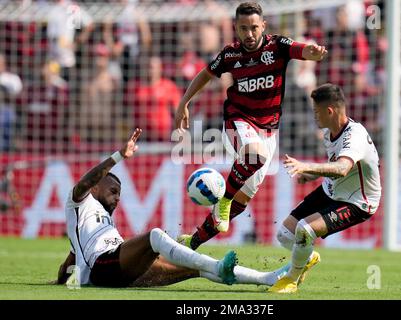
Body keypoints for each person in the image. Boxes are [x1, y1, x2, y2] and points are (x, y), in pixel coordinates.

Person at [175, 2, 327, 249]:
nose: (249, 34)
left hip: (268, 132)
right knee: (254, 158)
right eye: (243, 28)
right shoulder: (230, 55)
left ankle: (192, 242)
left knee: (242, 199)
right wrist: (184, 102)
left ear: (263, 26)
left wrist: (312, 51)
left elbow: (302, 50)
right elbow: (205, 74)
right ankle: (222, 201)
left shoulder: (277, 46)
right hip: (237, 121)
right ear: (236, 28)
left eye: (254, 28)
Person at [55, 128, 289, 288]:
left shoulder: (100, 223)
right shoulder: (79, 202)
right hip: (103, 267)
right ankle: (218, 265)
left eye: (119, 194)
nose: (117, 198)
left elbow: (75, 255)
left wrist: (64, 274)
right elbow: (86, 180)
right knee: (156, 235)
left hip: (120, 270)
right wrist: (118, 156)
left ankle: (267, 278)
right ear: (95, 187)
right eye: (113, 191)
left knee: (192, 267)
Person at [268, 83, 381, 293]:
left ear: (329, 111)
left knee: (305, 229)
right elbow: (335, 166)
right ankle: (308, 257)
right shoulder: (330, 133)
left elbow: (341, 168)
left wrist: (306, 165)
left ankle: (290, 280)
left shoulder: (354, 136)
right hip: (332, 190)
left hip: (358, 202)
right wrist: (309, 175)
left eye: (316, 112)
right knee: (285, 234)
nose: (314, 116)